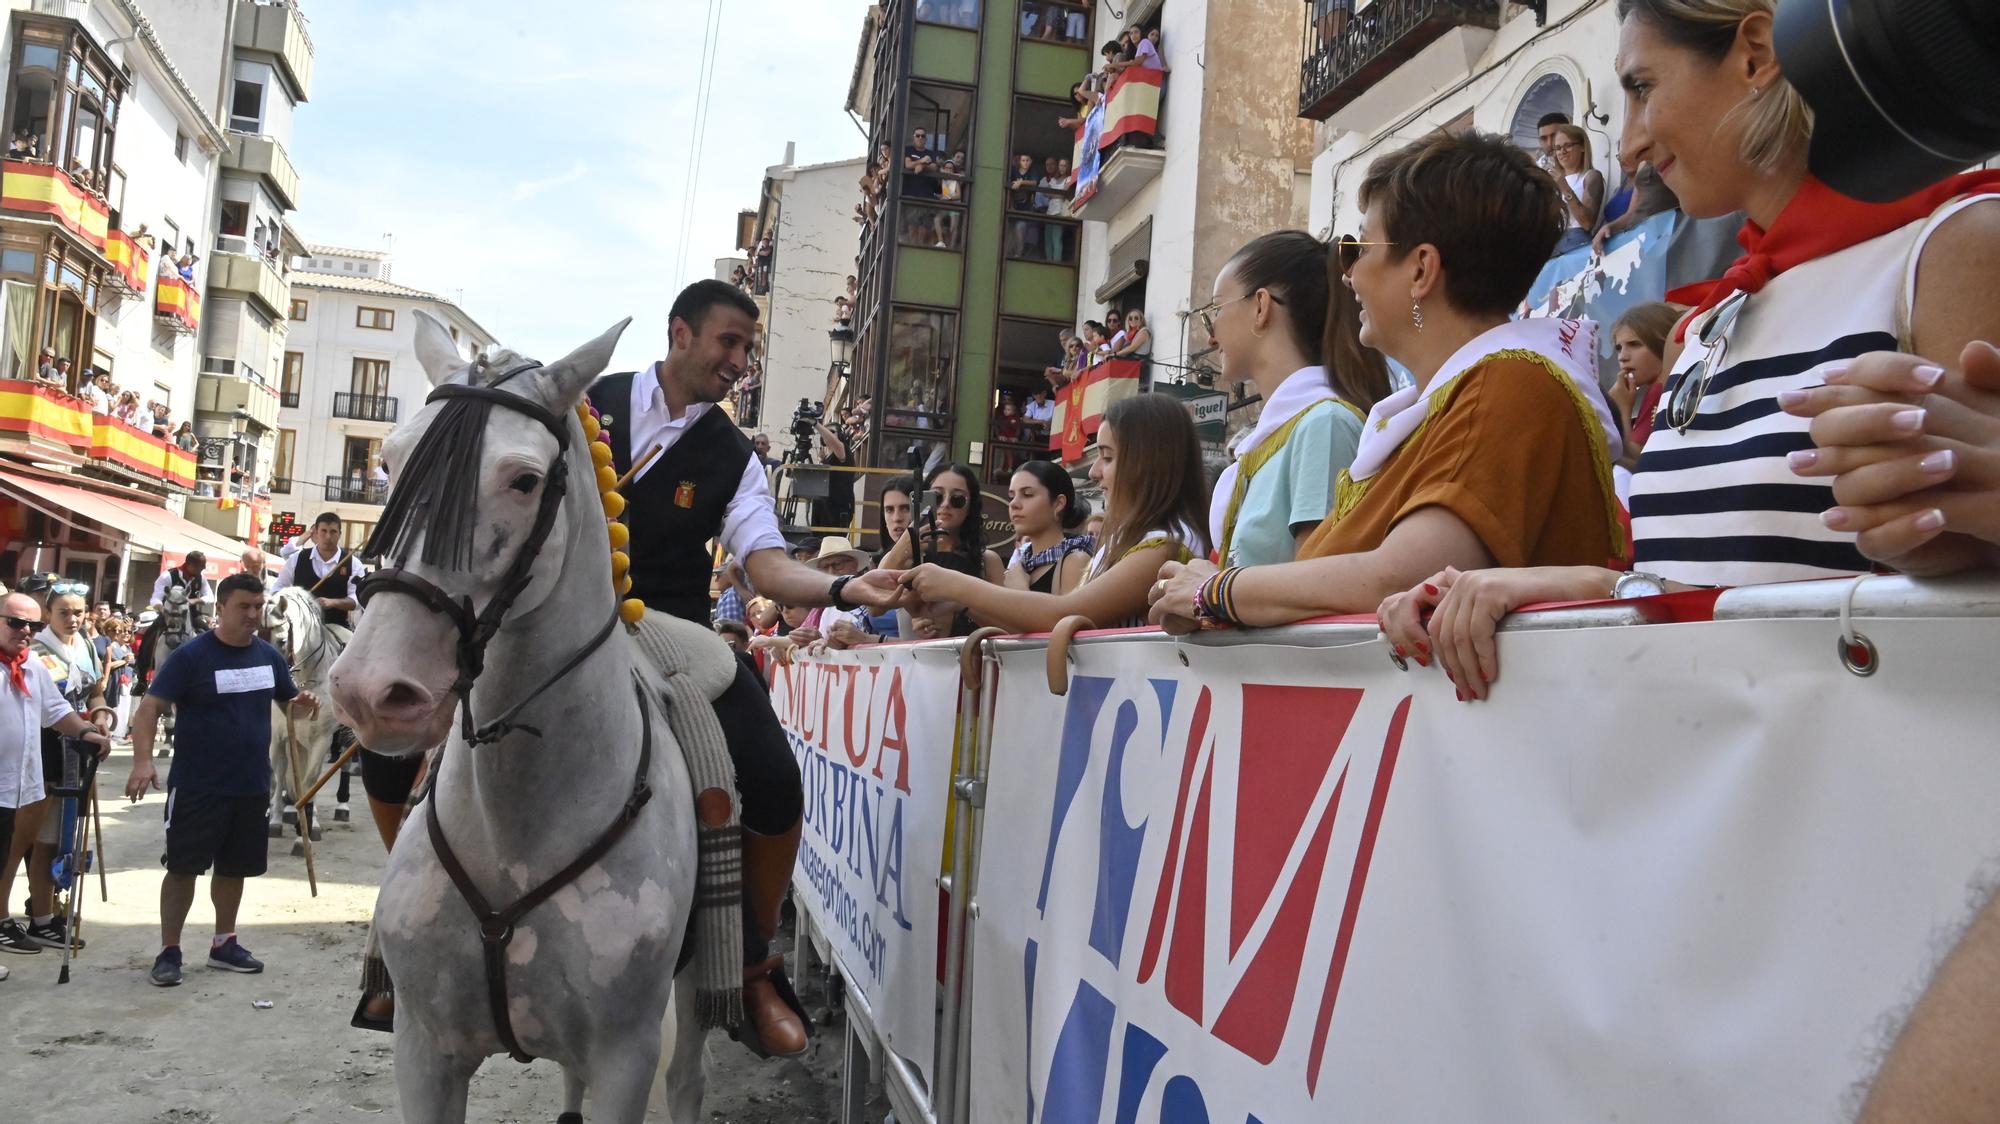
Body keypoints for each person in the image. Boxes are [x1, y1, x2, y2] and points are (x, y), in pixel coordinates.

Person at [1374, 0, 2000, 699]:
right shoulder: (1702, 325)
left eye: (1642, 88)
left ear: (1756, 54)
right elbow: (1717, 596)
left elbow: (1957, 624)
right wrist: (1582, 585)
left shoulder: (1954, 249)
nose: (1630, 146)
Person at [585, 278, 902, 1058]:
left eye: (747, 350)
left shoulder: (734, 455)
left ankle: (754, 965)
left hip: (667, 624)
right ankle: (402, 941)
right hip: (562, 618)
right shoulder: (588, 401)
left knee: (773, 777)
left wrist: (840, 586)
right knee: (418, 724)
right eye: (728, 343)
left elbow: (763, 564)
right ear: (680, 333)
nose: (739, 362)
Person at [1149, 129, 1624, 634]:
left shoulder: (1510, 386)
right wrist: (1213, 591)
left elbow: (1393, 577)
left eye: (1358, 248)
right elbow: (1322, 580)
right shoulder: (1433, 410)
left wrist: (1213, 590)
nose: (1347, 275)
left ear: (1421, 270)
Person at [124, 573, 318, 986]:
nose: (252, 614)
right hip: (198, 785)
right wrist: (143, 762)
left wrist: (305, 704)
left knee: (235, 869)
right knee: (183, 869)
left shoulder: (269, 657)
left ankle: (223, 944)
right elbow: (149, 708)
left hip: (251, 785)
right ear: (222, 608)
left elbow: (290, 705)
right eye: (244, 606)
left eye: (257, 606)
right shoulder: (192, 657)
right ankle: (170, 950)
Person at [904, 395, 1210, 631]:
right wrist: (961, 603)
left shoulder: (1164, 545)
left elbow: (1063, 615)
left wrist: (957, 585)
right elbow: (1051, 628)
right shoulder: (1128, 540)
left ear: (1148, 462)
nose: (1094, 471)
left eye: (1107, 457)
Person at [1202, 231, 1387, 568]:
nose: (1211, 334)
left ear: (1261, 306)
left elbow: (1313, 586)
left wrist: (1207, 591)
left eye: (1216, 308)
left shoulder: (1324, 424)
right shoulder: (1278, 435)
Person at [0, 593, 112, 967]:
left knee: (31, 847)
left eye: (29, 624)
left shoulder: (31, 663)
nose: (25, 631)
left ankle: (40, 918)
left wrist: (86, 732)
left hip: (29, 777)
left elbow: (56, 709)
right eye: (16, 623)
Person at [1603, 301, 1681, 470]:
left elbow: (1639, 461)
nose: (1622, 357)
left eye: (1635, 344)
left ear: (1663, 343)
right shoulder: (1658, 390)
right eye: (1618, 348)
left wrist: (1620, 409)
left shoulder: (1660, 391)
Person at [1002, 461, 1092, 595]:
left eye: (1027, 494)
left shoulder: (1075, 561)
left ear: (1058, 503)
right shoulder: (1022, 563)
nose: (1014, 503)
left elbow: (1065, 616)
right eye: (1012, 496)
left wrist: (1019, 591)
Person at [273, 512, 362, 629]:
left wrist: (332, 603)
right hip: (299, 627)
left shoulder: (353, 564)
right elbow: (277, 589)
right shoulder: (297, 559)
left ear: (340, 534)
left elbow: (357, 600)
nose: (328, 537)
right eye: (324, 531)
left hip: (336, 628)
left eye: (333, 532)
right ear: (315, 532)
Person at [1593, 157, 1680, 254]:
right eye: (1619, 156)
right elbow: (1631, 213)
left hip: (1665, 232)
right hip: (1636, 237)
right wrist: (1609, 227)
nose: (1622, 159)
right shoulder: (1641, 167)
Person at [1548, 123, 1605, 255]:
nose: (1562, 152)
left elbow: (1587, 223)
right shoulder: (1552, 181)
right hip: (1552, 244)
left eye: (1568, 145)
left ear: (1583, 147)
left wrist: (1565, 188)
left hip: (1575, 243)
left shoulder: (1591, 176)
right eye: (1557, 148)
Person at [902, 127, 940, 199]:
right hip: (908, 193)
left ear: (926, 139)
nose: (920, 138)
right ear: (914, 138)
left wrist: (922, 166)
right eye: (917, 136)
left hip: (926, 193)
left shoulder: (931, 153)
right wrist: (922, 160)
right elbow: (908, 164)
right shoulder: (908, 149)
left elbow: (934, 167)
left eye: (923, 136)